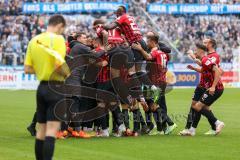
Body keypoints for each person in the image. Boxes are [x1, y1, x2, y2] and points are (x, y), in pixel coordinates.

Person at [24, 15, 69, 160]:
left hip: (41, 88)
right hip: (56, 87)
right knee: (51, 131)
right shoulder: (58, 39)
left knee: (41, 130)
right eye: (63, 29)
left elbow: (27, 69)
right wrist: (67, 73)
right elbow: (59, 65)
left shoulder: (33, 41)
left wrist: (43, 69)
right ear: (60, 25)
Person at [132, 31, 177, 135]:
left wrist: (140, 49)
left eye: (148, 41)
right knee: (150, 103)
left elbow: (148, 57)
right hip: (159, 81)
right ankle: (160, 129)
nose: (146, 43)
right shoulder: (163, 54)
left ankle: (170, 124)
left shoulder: (155, 52)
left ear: (152, 42)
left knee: (154, 106)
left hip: (156, 83)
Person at [181, 40, 225, 136]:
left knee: (197, 106)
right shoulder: (206, 59)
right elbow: (204, 69)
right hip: (208, 87)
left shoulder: (208, 58)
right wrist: (194, 68)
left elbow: (219, 71)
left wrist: (213, 86)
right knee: (201, 107)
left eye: (196, 50)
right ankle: (193, 129)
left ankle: (217, 123)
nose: (195, 52)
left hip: (214, 87)